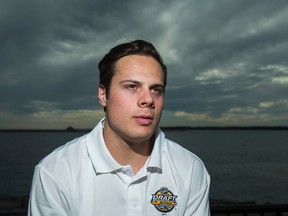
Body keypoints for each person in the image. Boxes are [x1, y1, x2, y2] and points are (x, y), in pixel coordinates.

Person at [28, 40, 210, 215]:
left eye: (156, 90)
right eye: (131, 86)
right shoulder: (56, 171)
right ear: (103, 94)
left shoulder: (190, 168)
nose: (148, 99)